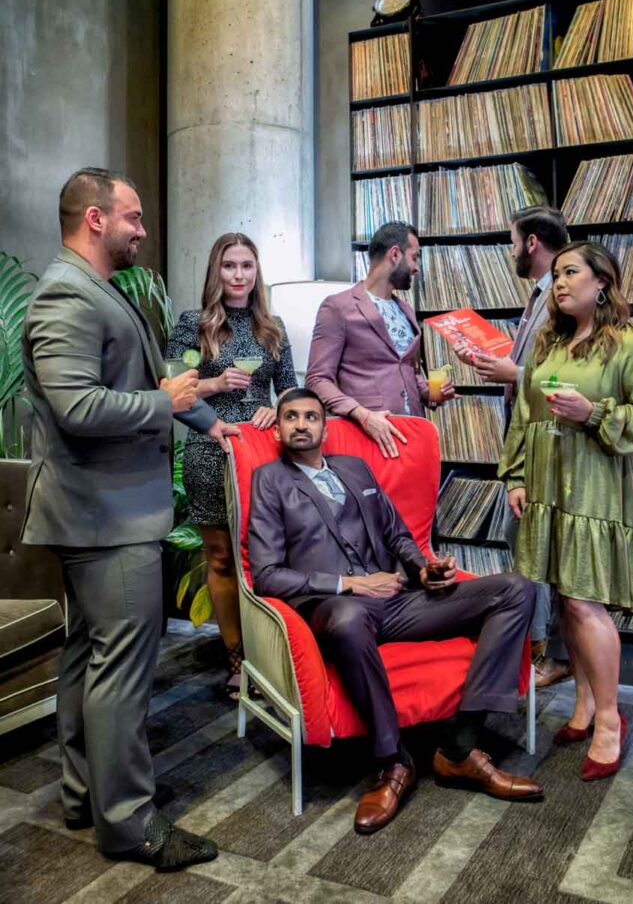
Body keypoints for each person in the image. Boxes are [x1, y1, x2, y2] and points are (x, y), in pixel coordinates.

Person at [22, 168, 240, 870]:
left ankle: (90, 794)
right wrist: (167, 407)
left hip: (105, 515)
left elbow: (148, 387)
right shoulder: (64, 293)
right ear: (94, 218)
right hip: (105, 519)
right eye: (134, 217)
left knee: (90, 658)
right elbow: (78, 409)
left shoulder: (96, 291)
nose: (143, 230)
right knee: (120, 670)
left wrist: (210, 423)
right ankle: (129, 822)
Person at [249, 387, 543, 835]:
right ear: (280, 428)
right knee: (348, 620)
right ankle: (393, 762)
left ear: (326, 428)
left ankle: (459, 747)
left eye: (311, 416)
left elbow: (397, 534)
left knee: (516, 589)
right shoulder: (269, 480)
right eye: (292, 416)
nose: (302, 424)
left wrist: (425, 569)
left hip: (397, 601)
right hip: (335, 606)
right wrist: (350, 584)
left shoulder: (354, 467)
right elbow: (267, 575)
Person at [498, 242, 633, 781]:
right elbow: (526, 414)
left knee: (584, 602)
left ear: (602, 282)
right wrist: (518, 476)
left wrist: (592, 411)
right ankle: (584, 704)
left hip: (593, 490)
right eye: (555, 276)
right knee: (566, 601)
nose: (560, 283)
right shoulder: (550, 342)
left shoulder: (631, 345)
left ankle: (610, 720)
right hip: (547, 488)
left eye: (571, 273)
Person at [166, 233, 297, 696]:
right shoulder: (192, 327)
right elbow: (172, 386)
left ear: (256, 272)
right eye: (229, 266)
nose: (239, 275)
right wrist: (215, 383)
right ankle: (238, 659)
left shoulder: (272, 328)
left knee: (265, 558)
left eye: (246, 266)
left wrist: (276, 410)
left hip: (262, 454)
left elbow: (291, 393)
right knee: (220, 558)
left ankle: (272, 656)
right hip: (209, 451)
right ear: (215, 272)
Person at [454, 206, 572, 688]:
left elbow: (571, 377)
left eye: (512, 241)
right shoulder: (540, 295)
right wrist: (496, 361)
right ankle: (544, 648)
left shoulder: (560, 298)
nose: (509, 252)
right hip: (526, 444)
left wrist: (515, 374)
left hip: (550, 444)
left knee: (541, 547)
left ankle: (551, 652)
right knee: (524, 541)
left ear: (531, 243)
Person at [306, 222, 455, 459]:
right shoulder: (337, 307)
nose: (416, 268)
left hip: (411, 437)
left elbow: (407, 371)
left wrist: (430, 393)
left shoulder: (405, 309)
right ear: (395, 254)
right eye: (414, 258)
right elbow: (317, 379)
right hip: (365, 439)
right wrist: (362, 415)